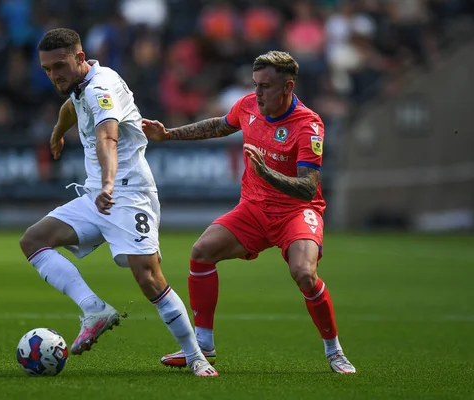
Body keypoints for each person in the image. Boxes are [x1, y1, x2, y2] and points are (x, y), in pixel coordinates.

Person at [19, 28, 218, 377]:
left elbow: (107, 137)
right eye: (47, 69)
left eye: (59, 66)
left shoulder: (101, 90)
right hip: (97, 195)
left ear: (80, 59)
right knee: (33, 240)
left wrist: (108, 184)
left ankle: (195, 356)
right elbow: (70, 106)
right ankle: (94, 309)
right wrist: (57, 131)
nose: (54, 75)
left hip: (127, 195)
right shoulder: (82, 84)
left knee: (148, 275)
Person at [142, 50, 356, 374]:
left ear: (288, 86)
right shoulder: (248, 106)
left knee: (304, 274)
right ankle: (203, 344)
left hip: (296, 212)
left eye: (265, 86)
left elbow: (308, 187)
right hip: (254, 210)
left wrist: (267, 172)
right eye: (255, 85)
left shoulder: (308, 125)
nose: (257, 94)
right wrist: (168, 134)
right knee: (201, 252)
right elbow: (219, 125)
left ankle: (334, 350)